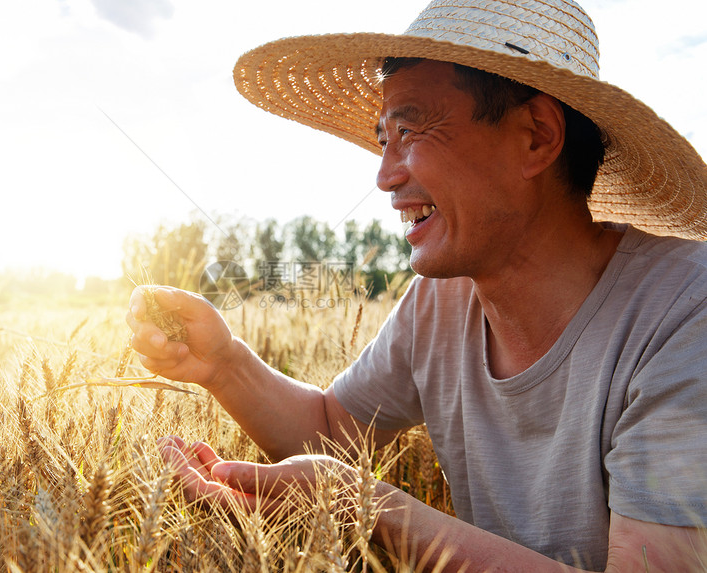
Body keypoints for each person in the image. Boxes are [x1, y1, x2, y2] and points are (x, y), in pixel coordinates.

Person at [127, 0, 707, 569]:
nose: (384, 176)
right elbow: (333, 433)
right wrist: (224, 364)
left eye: (411, 128)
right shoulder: (443, 299)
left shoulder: (686, 313)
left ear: (536, 136)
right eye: (385, 138)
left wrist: (365, 506)